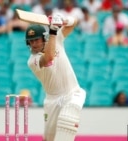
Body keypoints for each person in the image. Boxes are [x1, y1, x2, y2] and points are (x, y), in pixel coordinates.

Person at [25, 13, 86, 141]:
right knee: (48, 138)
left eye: (36, 39)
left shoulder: (56, 39)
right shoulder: (32, 60)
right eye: (31, 41)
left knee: (68, 118)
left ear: (43, 38)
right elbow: (48, 58)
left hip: (72, 92)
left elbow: (74, 23)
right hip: (52, 100)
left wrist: (64, 20)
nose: (34, 44)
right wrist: (53, 30)